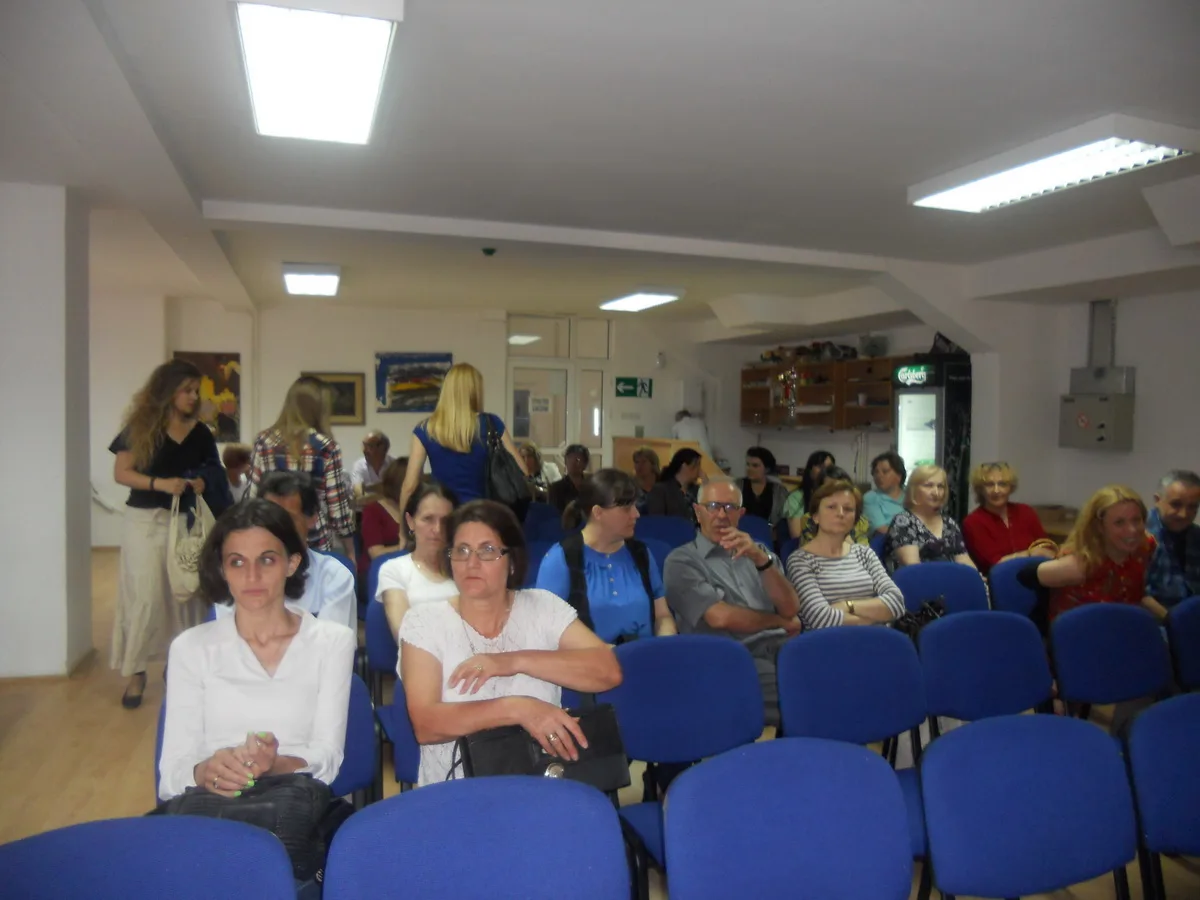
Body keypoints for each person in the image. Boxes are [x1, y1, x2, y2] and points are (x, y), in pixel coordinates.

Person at [399, 500, 623, 785]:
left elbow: (608, 671)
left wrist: (511, 661)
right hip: (457, 791)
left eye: (487, 550)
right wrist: (520, 709)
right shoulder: (424, 622)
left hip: (542, 782)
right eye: (462, 550)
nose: (471, 563)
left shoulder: (543, 607)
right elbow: (426, 725)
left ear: (513, 560)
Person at [158, 498, 355, 809]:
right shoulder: (190, 648)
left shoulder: (332, 642)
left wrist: (273, 765)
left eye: (267, 560)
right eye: (237, 562)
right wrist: (205, 771)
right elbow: (172, 775)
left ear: (292, 563)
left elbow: (328, 759)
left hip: (295, 805)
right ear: (221, 569)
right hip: (210, 806)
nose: (252, 576)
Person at [109, 359, 225, 709]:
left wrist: (202, 481)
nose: (193, 397)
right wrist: (159, 483)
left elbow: (214, 471)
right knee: (143, 596)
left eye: (196, 391)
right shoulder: (141, 427)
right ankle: (136, 671)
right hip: (145, 520)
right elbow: (122, 473)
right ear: (167, 391)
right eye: (186, 390)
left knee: (187, 594)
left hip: (187, 522)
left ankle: (182, 667)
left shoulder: (201, 433)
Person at [664, 478, 803, 726]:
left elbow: (791, 607)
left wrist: (761, 561)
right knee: (808, 699)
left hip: (782, 649)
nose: (721, 515)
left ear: (741, 514)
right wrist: (778, 622)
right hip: (731, 658)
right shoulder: (681, 560)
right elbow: (720, 617)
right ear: (697, 511)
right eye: (713, 506)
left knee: (833, 678)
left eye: (729, 508)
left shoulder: (760, 553)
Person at [536, 469, 677, 642]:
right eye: (627, 508)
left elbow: (662, 616)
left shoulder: (641, 554)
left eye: (635, 506)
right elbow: (547, 629)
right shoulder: (562, 558)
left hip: (643, 655)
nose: (636, 514)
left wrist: (664, 643)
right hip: (589, 657)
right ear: (598, 512)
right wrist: (607, 652)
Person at [215, 472, 357, 632]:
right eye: (268, 518)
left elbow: (331, 644)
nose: (277, 529)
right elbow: (226, 641)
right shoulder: (236, 575)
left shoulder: (334, 577)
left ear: (312, 519)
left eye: (287, 519)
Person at [398, 363, 527, 526]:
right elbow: (522, 470)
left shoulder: (425, 429)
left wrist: (403, 530)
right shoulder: (491, 424)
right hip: (483, 517)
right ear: (476, 391)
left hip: (443, 519)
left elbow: (409, 486)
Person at [1016, 485, 1159, 627]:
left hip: (1124, 627)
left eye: (1136, 520)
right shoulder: (1083, 562)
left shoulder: (1145, 547)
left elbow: (1138, 595)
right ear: (1099, 527)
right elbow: (1024, 575)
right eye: (1119, 523)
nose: (1132, 530)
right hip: (1079, 632)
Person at [250, 376, 354, 557]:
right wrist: (350, 550)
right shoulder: (326, 447)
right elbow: (337, 509)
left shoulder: (263, 441)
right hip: (313, 539)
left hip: (270, 534)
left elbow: (253, 496)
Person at [786, 479, 905, 630]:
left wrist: (847, 605)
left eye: (848, 509)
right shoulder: (800, 561)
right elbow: (821, 620)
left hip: (876, 639)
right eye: (831, 507)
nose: (841, 513)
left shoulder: (864, 553)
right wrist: (876, 617)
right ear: (815, 516)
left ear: (855, 519)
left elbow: (897, 603)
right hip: (830, 642)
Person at [376, 481, 460, 642]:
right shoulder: (394, 569)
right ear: (410, 521)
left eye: (445, 521)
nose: (437, 529)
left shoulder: (466, 567)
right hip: (419, 657)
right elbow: (404, 636)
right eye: (428, 519)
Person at [961, 461, 1056, 576]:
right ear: (980, 489)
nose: (996, 490)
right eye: (989, 485)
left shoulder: (1026, 511)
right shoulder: (973, 522)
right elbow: (995, 564)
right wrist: (1030, 553)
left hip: (1037, 576)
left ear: (1011, 487)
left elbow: (1047, 547)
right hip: (998, 582)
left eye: (1002, 484)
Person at [889, 464, 976, 570]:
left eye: (940, 486)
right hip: (919, 578)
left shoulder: (949, 523)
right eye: (928, 486)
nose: (936, 492)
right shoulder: (903, 522)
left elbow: (963, 559)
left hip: (951, 578)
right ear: (914, 489)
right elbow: (913, 567)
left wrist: (977, 577)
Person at [1146, 470, 1200, 611]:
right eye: (1176, 504)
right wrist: (1170, 619)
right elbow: (1135, 594)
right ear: (1157, 500)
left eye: (1192, 507)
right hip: (1152, 619)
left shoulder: (1197, 536)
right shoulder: (1137, 537)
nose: (1183, 514)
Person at [789, 466, 871, 544]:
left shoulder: (861, 523)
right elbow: (809, 550)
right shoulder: (809, 520)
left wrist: (849, 544)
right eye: (830, 490)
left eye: (842, 489)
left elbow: (864, 549)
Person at [358, 457, 409, 579]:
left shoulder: (416, 509)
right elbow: (376, 553)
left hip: (406, 569)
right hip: (378, 572)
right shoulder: (373, 510)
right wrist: (408, 547)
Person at [645, 447, 703, 519]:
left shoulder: (697, 490)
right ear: (684, 466)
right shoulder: (660, 490)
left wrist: (706, 483)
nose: (700, 470)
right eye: (697, 465)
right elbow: (656, 520)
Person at [781, 450, 836, 525]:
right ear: (810, 470)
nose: (825, 471)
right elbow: (796, 531)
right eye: (821, 467)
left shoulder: (837, 496)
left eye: (829, 468)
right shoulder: (796, 497)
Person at [741, 446, 789, 526]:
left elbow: (784, 518)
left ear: (767, 469)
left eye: (755, 466)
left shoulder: (779, 491)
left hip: (768, 532)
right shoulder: (736, 486)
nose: (749, 468)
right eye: (748, 464)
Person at [863, 451, 907, 535]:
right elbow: (881, 529)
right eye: (876, 472)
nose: (879, 476)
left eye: (885, 471)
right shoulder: (871, 498)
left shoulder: (911, 495)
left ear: (899, 475)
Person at [350, 431, 394, 496]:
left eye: (369, 446)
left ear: (382, 448)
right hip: (368, 502)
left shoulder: (394, 464)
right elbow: (358, 492)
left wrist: (368, 489)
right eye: (364, 445)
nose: (364, 450)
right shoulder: (359, 465)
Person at [548, 444, 590, 513]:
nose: (573, 463)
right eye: (570, 458)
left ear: (585, 464)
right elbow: (554, 514)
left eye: (577, 460)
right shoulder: (556, 488)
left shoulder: (591, 486)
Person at [631, 446, 661, 512]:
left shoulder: (664, 485)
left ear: (653, 464)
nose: (639, 466)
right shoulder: (631, 486)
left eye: (644, 462)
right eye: (636, 462)